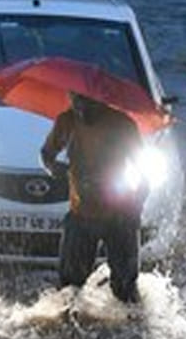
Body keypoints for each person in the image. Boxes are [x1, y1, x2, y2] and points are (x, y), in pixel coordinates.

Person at [40, 93, 146, 303]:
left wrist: (135, 208)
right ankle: (68, 329)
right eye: (77, 101)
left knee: (125, 287)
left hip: (120, 215)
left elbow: (144, 174)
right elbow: (46, 154)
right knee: (69, 287)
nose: (82, 108)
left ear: (102, 100)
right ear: (70, 98)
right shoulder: (66, 121)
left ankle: (135, 329)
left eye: (89, 103)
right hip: (81, 214)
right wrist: (54, 168)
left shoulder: (122, 125)